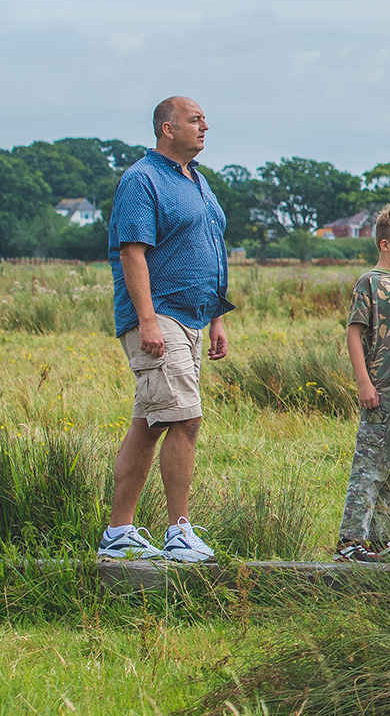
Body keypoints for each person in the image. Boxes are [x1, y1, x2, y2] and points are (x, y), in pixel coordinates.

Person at [97, 96, 232, 563]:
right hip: (160, 317)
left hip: (195, 317)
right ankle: (179, 533)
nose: (205, 127)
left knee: (150, 424)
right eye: (196, 120)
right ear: (167, 129)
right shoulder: (142, 179)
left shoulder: (198, 181)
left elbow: (212, 247)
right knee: (185, 419)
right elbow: (131, 252)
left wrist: (217, 317)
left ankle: (118, 533)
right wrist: (148, 319)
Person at [334, 203, 390, 562]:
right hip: (383, 389)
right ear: (385, 244)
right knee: (370, 467)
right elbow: (354, 334)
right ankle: (350, 541)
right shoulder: (370, 282)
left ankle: (380, 539)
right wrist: (363, 383)